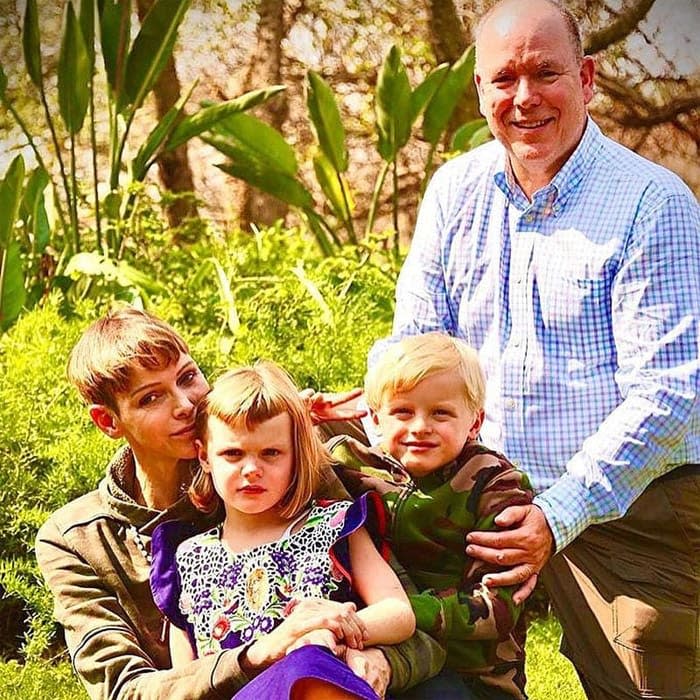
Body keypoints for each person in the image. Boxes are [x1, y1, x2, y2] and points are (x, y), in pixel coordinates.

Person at [376, 1, 700, 698]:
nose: (525, 97)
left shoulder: (652, 203)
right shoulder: (454, 190)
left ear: (586, 79)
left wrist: (557, 514)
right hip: (470, 496)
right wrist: (374, 410)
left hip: (629, 507)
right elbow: (417, 344)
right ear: (481, 90)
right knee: (408, 664)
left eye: (546, 73)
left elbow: (671, 395)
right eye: (504, 79)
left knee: (649, 686)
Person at [35, 307, 445, 700]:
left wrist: (380, 660)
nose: (185, 404)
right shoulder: (76, 540)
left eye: (188, 377)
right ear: (109, 421)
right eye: (150, 398)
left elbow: (415, 627)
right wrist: (259, 653)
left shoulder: (288, 476)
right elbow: (125, 691)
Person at [150, 362, 416, 699]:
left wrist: (333, 631)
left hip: (320, 683)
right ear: (204, 456)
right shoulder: (187, 557)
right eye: (232, 454)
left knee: (308, 665)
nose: (251, 470)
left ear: (295, 456)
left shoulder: (332, 524)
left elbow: (398, 612)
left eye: (271, 453)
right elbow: (186, 679)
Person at [329, 333, 533, 700]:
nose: (420, 426)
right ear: (375, 419)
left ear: (474, 422)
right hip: (382, 651)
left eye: (441, 413)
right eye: (403, 412)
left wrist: (402, 614)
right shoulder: (351, 466)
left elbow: (497, 608)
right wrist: (300, 412)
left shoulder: (496, 486)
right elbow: (279, 462)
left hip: (473, 673)